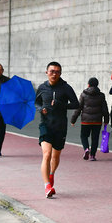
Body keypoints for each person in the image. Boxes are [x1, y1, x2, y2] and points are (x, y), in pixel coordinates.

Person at [35, 62, 79, 198]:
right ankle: (47, 186)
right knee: (47, 154)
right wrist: (40, 109)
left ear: (60, 73)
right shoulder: (42, 87)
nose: (54, 74)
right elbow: (36, 102)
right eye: (52, 71)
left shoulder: (66, 88)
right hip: (45, 125)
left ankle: (51, 173)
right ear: (46, 72)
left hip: (60, 126)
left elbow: (76, 104)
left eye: (57, 72)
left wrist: (61, 104)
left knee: (55, 156)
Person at [71, 77, 110, 161]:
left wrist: (73, 119)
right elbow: (105, 109)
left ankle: (86, 149)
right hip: (97, 121)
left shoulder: (84, 94)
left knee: (83, 136)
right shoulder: (101, 95)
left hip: (86, 121)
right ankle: (92, 155)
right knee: (95, 138)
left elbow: (78, 108)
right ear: (97, 85)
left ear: (88, 85)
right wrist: (106, 120)